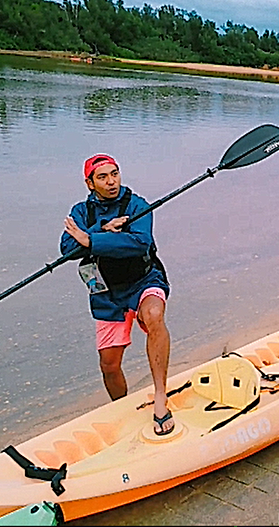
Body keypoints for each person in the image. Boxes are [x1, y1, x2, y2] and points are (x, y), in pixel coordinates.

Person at [60, 154, 175, 436]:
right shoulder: (80, 212)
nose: (111, 181)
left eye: (115, 174)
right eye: (102, 177)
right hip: (106, 294)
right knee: (109, 365)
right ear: (89, 183)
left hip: (144, 281)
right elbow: (66, 250)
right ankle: (122, 409)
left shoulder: (137, 205)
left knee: (154, 315)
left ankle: (161, 396)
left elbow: (138, 243)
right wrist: (99, 229)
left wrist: (91, 241)